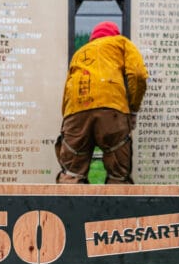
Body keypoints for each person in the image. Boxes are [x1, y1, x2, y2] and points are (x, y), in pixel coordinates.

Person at [56, 21, 147, 184]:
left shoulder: (80, 52)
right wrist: (133, 108)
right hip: (111, 109)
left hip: (75, 112)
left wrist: (69, 120)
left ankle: (71, 208)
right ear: (115, 34)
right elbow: (138, 75)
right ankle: (116, 208)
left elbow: (67, 90)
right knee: (118, 175)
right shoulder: (121, 43)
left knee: (71, 174)